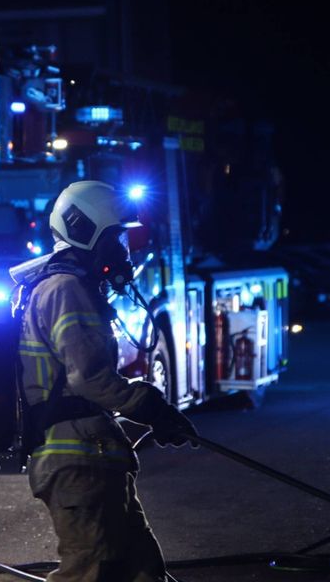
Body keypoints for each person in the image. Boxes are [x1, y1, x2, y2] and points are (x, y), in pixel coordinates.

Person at [17, 180, 198, 582]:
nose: (123, 250)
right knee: (93, 574)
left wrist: (154, 413)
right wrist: (151, 407)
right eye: (115, 238)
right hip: (78, 465)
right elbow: (90, 380)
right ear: (85, 231)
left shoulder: (75, 287)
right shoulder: (66, 290)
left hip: (95, 459)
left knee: (143, 571)